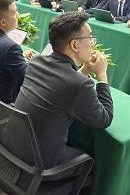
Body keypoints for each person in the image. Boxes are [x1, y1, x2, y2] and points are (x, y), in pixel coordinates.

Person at [14, 12, 113, 169]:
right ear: (75, 45)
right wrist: (102, 75)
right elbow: (104, 120)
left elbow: (62, 82)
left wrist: (85, 70)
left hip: (15, 145)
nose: (92, 43)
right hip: (39, 162)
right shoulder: (80, 85)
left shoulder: (36, 62)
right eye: (90, 38)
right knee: (90, 162)